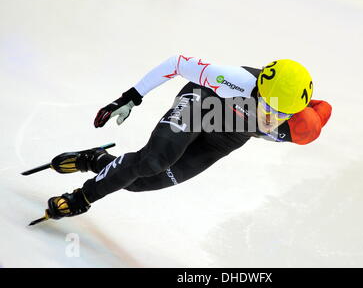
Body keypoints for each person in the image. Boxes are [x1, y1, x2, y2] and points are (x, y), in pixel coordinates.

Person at [33, 55, 332, 223]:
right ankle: (82, 198)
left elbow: (324, 109)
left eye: (280, 115)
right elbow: (176, 63)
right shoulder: (232, 78)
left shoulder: (302, 129)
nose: (270, 118)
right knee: (152, 161)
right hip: (203, 105)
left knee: (139, 182)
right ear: (260, 87)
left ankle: (95, 159)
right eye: (267, 106)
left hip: (227, 137)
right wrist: (130, 97)